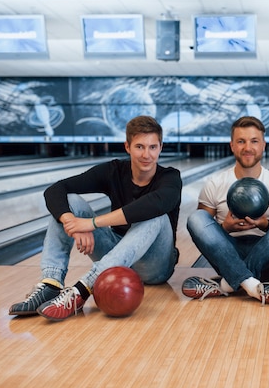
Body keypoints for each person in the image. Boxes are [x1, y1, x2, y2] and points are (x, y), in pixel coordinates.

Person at [9, 115, 182, 321]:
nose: (147, 154)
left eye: (153, 147)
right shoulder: (114, 171)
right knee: (70, 201)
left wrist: (91, 223)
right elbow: (56, 190)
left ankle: (82, 289)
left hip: (155, 266)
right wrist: (72, 223)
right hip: (115, 253)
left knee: (156, 216)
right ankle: (50, 284)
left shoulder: (171, 177)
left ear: (161, 147)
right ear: (127, 147)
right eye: (139, 147)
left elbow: (152, 205)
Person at [183, 116, 269, 307]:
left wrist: (266, 225)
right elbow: (202, 230)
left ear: (264, 145)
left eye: (254, 141)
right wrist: (224, 228)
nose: (247, 147)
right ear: (232, 145)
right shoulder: (215, 184)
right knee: (196, 218)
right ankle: (254, 286)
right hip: (226, 254)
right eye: (241, 141)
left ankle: (227, 285)